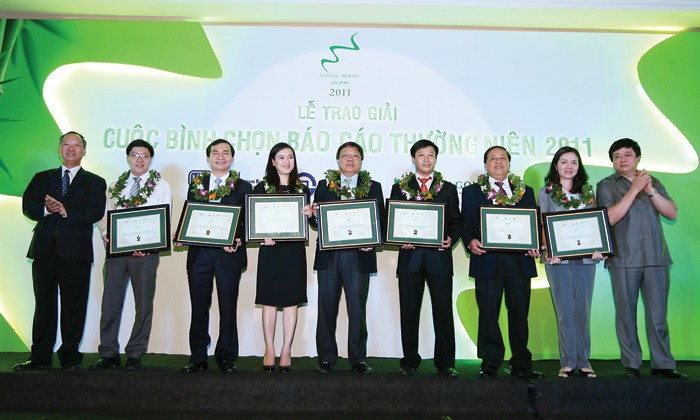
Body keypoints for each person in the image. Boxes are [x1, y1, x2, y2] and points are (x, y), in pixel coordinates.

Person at [15, 131, 107, 371]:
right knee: (43, 306)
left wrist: (66, 211)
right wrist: (47, 209)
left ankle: (70, 358)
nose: (71, 148)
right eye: (66, 144)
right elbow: (28, 206)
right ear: (59, 149)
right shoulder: (42, 178)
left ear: (84, 151)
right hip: (44, 251)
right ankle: (40, 358)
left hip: (76, 254)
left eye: (76, 145)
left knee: (73, 307)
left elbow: (95, 212)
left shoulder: (95, 182)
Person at [597, 138, 687, 380]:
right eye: (617, 156)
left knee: (658, 316)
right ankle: (632, 364)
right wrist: (634, 189)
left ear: (637, 158)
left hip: (656, 257)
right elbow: (609, 218)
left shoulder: (652, 181)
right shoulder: (606, 185)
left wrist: (649, 190)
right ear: (612, 161)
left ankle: (663, 364)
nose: (622, 159)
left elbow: (671, 212)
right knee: (626, 316)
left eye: (627, 154)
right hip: (624, 259)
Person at [460, 145, 544, 380]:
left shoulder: (525, 191)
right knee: (488, 314)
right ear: (485, 164)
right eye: (493, 158)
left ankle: (521, 364)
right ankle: (490, 363)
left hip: (519, 262)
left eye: (503, 158)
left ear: (509, 162)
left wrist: (535, 243)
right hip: (487, 261)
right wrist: (470, 241)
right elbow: (465, 223)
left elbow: (533, 223)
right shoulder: (471, 192)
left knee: (519, 315)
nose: (498, 162)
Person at [90, 139, 172, 371]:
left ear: (150, 159)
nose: (139, 159)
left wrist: (147, 245)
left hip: (145, 255)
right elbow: (106, 217)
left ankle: (135, 353)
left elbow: (163, 218)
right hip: (117, 254)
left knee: (143, 306)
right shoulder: (115, 185)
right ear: (128, 158)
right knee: (110, 304)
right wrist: (106, 235)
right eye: (135, 155)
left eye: (144, 155)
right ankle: (108, 353)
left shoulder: (161, 186)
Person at [311, 141, 385, 374]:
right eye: (345, 155)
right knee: (326, 308)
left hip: (359, 256)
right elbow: (316, 221)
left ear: (361, 161)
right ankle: (327, 357)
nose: (350, 159)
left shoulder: (373, 186)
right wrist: (313, 214)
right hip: (329, 256)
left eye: (355, 155)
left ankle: (358, 358)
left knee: (357, 310)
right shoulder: (324, 185)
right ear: (338, 160)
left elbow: (381, 220)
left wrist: (373, 241)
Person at [179, 139, 252, 374]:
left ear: (232, 158)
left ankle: (226, 357)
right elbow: (190, 213)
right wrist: (182, 233)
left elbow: (249, 221)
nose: (220, 156)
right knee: (199, 308)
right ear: (208, 157)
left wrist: (238, 238)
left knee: (228, 308)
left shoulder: (243, 187)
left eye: (225, 153)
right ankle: (198, 357)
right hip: (200, 255)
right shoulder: (196, 184)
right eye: (215, 153)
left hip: (228, 256)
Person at [389, 139, 461, 378]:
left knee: (443, 312)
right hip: (410, 259)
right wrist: (400, 239)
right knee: (409, 312)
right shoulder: (399, 187)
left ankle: (445, 363)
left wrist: (450, 238)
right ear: (413, 159)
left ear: (436, 159)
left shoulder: (448, 189)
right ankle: (409, 361)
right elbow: (393, 220)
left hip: (439, 259)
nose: (426, 159)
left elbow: (456, 221)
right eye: (421, 155)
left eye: (431, 155)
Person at [538, 146, 603, 378]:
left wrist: (599, 248)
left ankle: (584, 360)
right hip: (558, 261)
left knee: (583, 312)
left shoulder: (588, 192)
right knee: (565, 312)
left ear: (579, 166)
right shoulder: (546, 192)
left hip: (585, 260)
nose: (569, 166)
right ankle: (567, 361)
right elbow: (543, 223)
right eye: (564, 162)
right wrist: (549, 248)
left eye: (574, 162)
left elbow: (595, 223)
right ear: (555, 165)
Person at [253, 143, 313, 373]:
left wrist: (310, 213)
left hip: (293, 252)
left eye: (290, 157)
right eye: (281, 157)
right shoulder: (261, 188)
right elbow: (253, 221)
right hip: (270, 251)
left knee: (290, 302)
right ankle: (269, 348)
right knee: (269, 301)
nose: (287, 161)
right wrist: (261, 235)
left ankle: (286, 349)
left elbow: (310, 222)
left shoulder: (302, 189)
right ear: (273, 161)